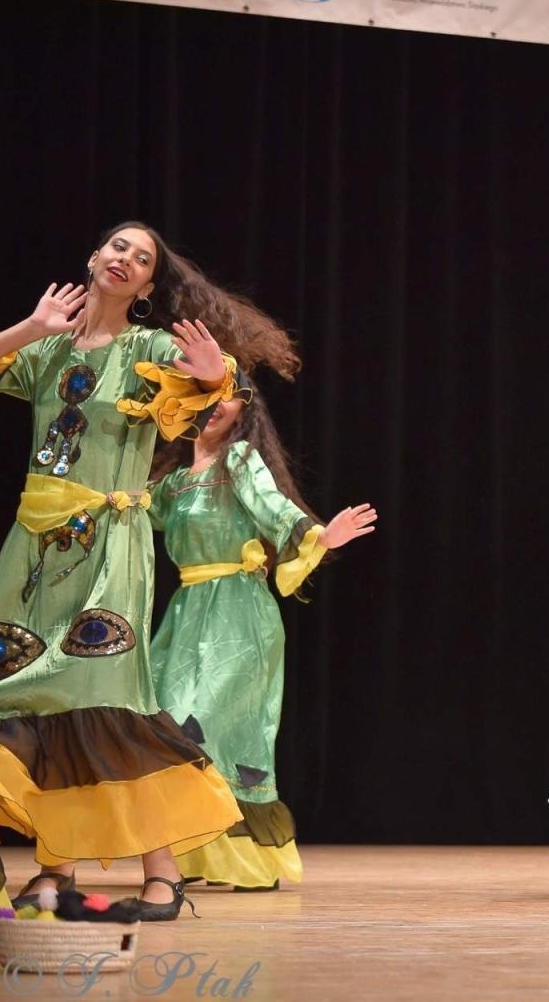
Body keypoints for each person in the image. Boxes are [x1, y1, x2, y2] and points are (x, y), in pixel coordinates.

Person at [0, 221, 248, 921]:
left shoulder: (148, 349)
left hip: (110, 542)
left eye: (142, 257)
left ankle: (162, 871)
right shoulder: (47, 347)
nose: (126, 259)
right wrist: (30, 326)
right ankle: (55, 869)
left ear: (147, 285)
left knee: (107, 699)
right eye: (118, 247)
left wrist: (212, 372)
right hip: (34, 549)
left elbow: (213, 388)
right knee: (28, 699)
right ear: (94, 258)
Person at [149, 382, 376, 891]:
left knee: (209, 728)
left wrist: (320, 536)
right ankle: (199, 855)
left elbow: (274, 507)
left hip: (238, 614)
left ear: (244, 409)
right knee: (165, 724)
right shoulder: (174, 482)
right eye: (204, 395)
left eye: (226, 396)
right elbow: (135, 512)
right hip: (185, 615)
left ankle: (250, 860)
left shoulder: (239, 461)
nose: (214, 406)